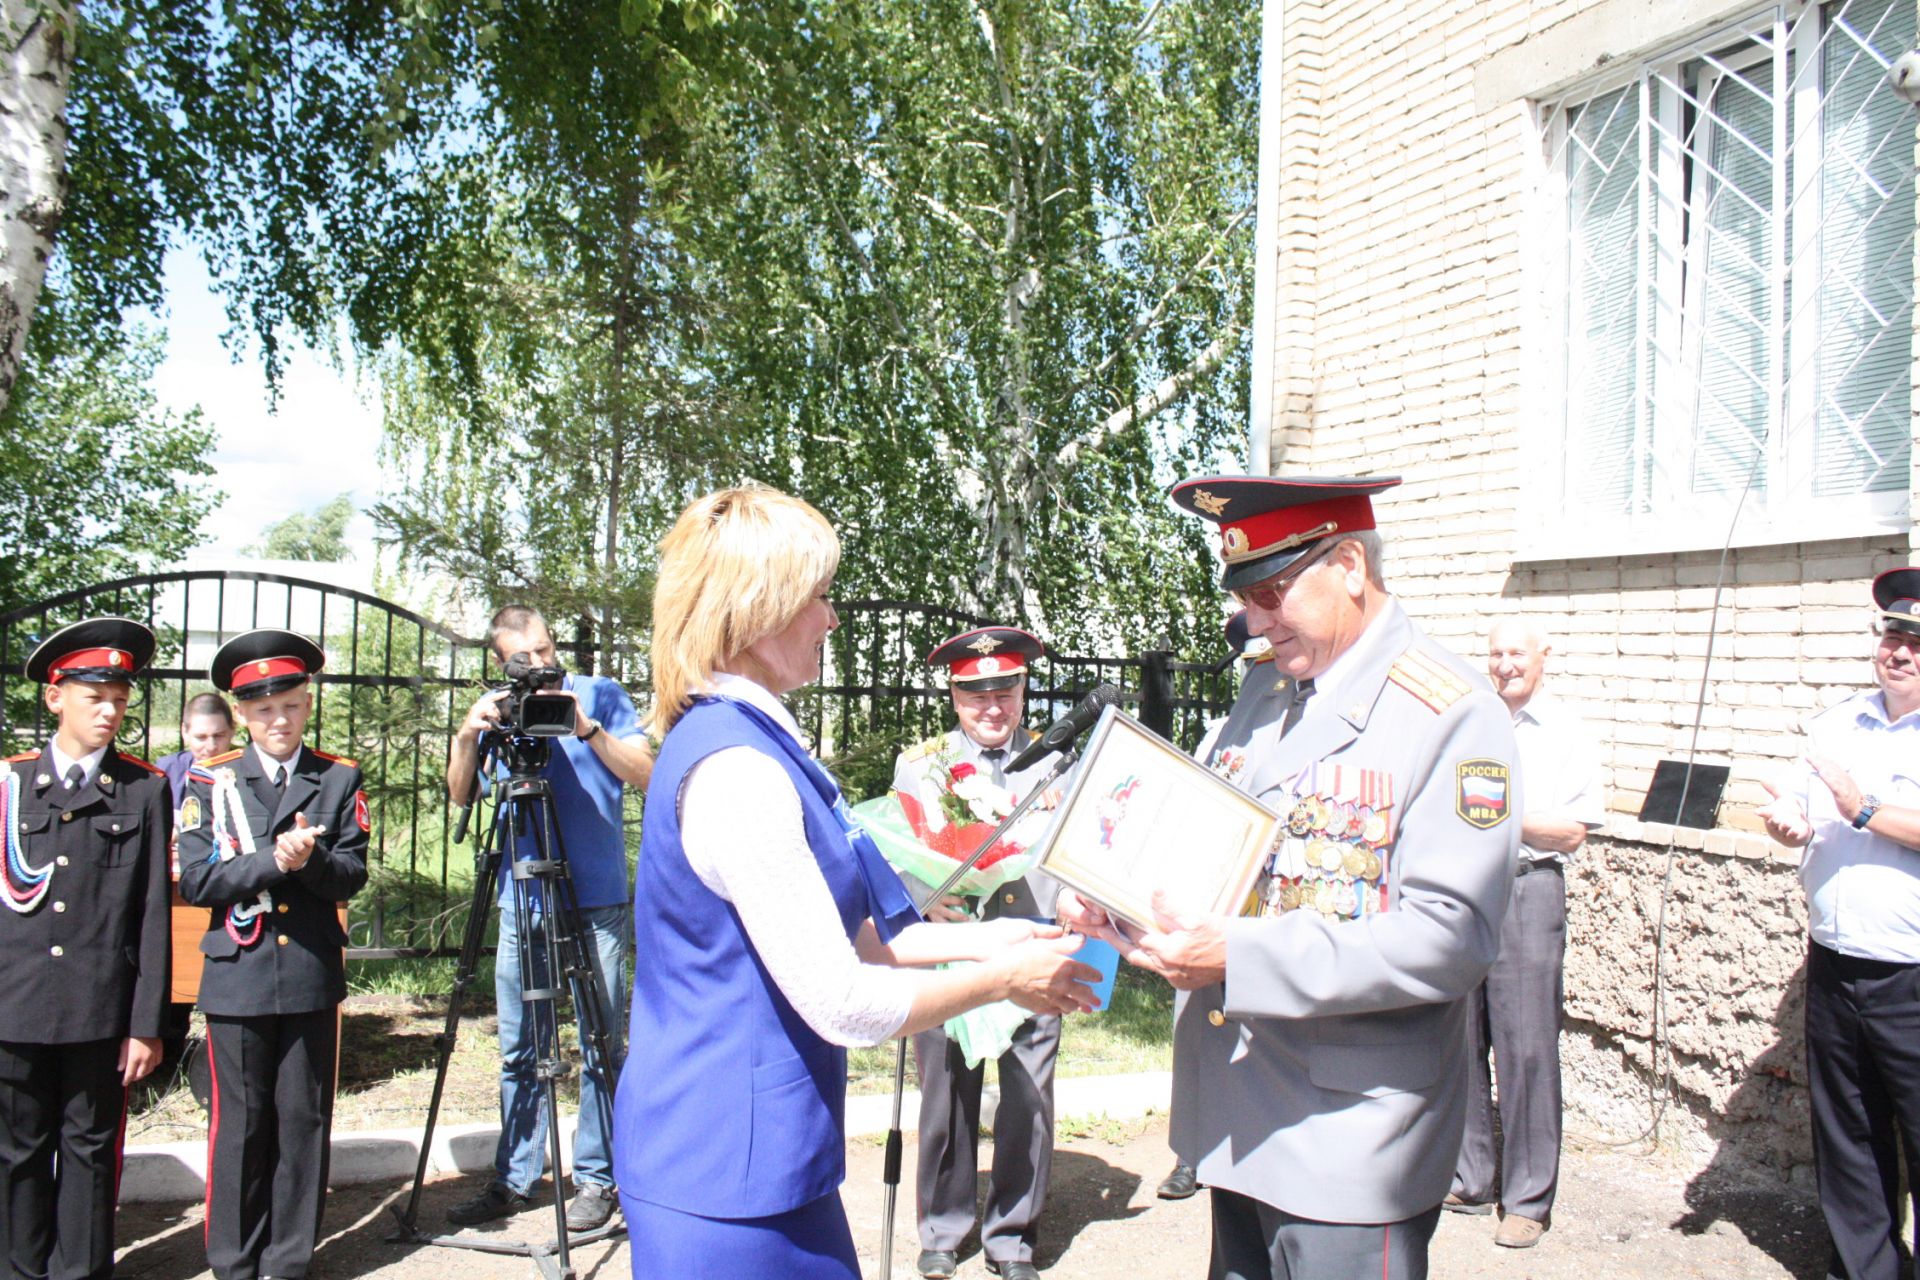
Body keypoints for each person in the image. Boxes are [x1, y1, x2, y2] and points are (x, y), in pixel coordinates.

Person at [615, 483, 1099, 1279]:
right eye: (819, 596)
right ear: (757, 609)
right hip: (720, 1173)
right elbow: (845, 1001)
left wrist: (1003, 934)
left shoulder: (759, 742)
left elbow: (873, 934)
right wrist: (1006, 978)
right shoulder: (739, 768)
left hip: (762, 1156)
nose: (832, 618)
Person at [1058, 474, 1519, 1280]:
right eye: (1246, 597)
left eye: (1273, 593)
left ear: (1348, 565)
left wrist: (1240, 957)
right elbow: (1196, 831)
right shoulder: (1269, 691)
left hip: (1350, 1138)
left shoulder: (1450, 712)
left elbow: (1451, 939)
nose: (1256, 623)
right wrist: (1105, 883)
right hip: (1241, 1113)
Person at [443, 605, 654, 1232]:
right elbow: (461, 794)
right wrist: (466, 737)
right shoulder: (497, 708)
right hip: (522, 896)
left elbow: (644, 774)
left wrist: (586, 729)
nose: (539, 666)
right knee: (520, 1045)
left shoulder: (602, 695)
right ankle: (515, 1176)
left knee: (600, 1041)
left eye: (544, 651)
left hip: (596, 896)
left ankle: (597, 1177)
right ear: (500, 662)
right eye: (523, 659)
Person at [176, 629, 369, 1280]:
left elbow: (352, 875)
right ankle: (233, 1262)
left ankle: (288, 1261)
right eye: (262, 711)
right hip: (238, 977)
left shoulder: (338, 778)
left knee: (304, 1120)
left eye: (288, 705)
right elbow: (195, 879)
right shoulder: (212, 779)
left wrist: (311, 861)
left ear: (307, 703)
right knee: (241, 1125)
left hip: (309, 974)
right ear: (241, 716)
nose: (277, 720)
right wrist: (270, 861)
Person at [1757, 567, 1920, 1280]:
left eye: (1918, 640)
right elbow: (1801, 809)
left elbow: (1857, 810)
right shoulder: (1835, 723)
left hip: (1913, 972)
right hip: (1836, 961)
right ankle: (1867, 1270)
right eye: (1893, 634)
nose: (1902, 651)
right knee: (1848, 1136)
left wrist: (1860, 808)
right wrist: (1789, 827)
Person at [0, 618, 170, 1280]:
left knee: (91, 1152)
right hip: (14, 1006)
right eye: (95, 697)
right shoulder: (9, 785)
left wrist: (146, 1026)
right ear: (54, 697)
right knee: (16, 1153)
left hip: (100, 1012)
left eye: (119, 701)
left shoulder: (142, 788)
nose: (109, 712)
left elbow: (153, 914)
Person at [893, 625, 1064, 1280]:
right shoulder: (924, 762)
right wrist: (925, 898)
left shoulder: (1056, 760)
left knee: (1028, 1096)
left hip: (1034, 946)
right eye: (976, 694)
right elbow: (896, 851)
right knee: (947, 1094)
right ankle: (943, 1227)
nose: (993, 707)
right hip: (953, 952)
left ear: (1022, 688)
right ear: (955, 695)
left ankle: (1013, 1237)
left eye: (1006, 690)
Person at [1446, 619, 1603, 1247]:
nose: (1506, 664)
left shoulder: (1565, 731)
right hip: (1462, 893)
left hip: (1526, 889)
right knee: (1458, 1036)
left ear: (1544, 657)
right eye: (1495, 654)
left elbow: (1571, 833)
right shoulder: (1471, 721)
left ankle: (1529, 1199)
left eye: (1517, 653)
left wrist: (1498, 818)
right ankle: (1471, 1176)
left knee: (1527, 1046)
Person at [1154, 608, 1278, 1206]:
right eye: (1252, 668)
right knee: (1197, 1031)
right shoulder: (1219, 734)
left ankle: (1249, 1145)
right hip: (1210, 906)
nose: (1259, 679)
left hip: (1268, 918)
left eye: (1267, 664)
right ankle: (1191, 1150)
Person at [156, 691, 237, 807]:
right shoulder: (168, 771)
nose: (211, 747)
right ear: (184, 732)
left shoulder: (251, 772)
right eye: (201, 737)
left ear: (233, 730)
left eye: (218, 736)